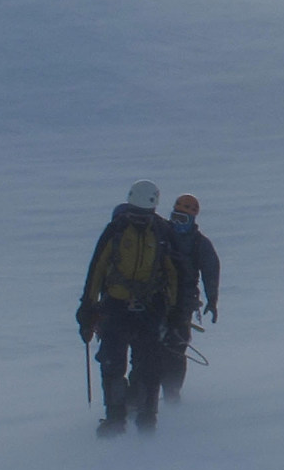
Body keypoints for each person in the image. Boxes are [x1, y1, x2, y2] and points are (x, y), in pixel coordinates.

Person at [77, 180, 180, 435]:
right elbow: (97, 271)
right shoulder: (122, 231)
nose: (139, 219)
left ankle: (138, 418)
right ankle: (122, 418)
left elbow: (174, 274)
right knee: (120, 363)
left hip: (141, 308)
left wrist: (88, 311)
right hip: (122, 308)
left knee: (145, 365)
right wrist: (87, 311)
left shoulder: (154, 232)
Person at [161, 193, 221, 403]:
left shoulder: (199, 244)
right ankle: (142, 398)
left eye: (183, 218)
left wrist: (212, 299)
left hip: (182, 303)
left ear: (193, 219)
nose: (177, 223)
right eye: (175, 217)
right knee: (150, 349)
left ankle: (171, 394)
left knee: (176, 350)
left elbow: (210, 270)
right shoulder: (160, 233)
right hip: (156, 300)